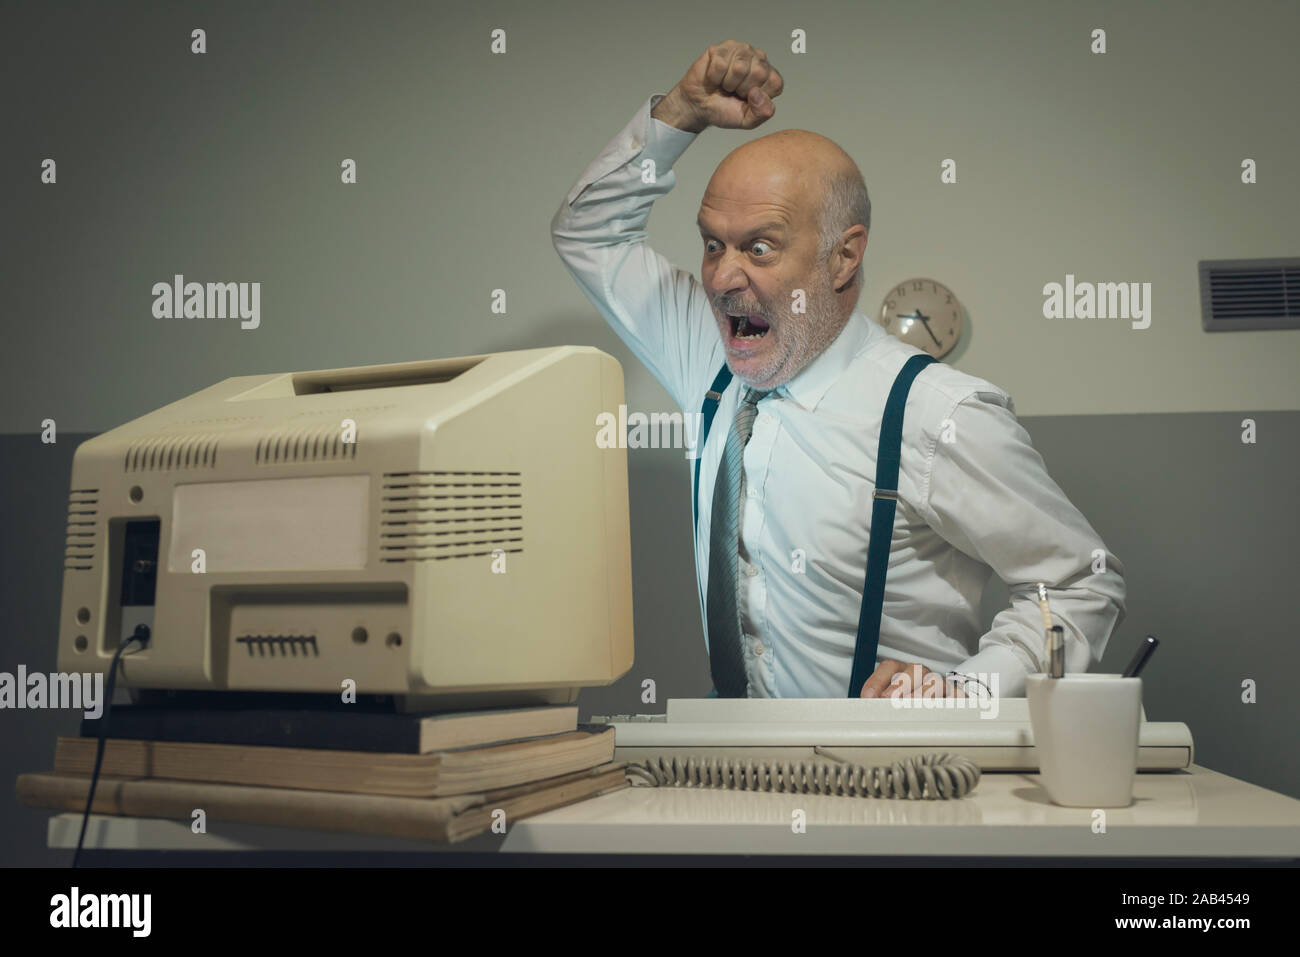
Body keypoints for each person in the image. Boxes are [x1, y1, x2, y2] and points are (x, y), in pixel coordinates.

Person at [550, 40, 1126, 700]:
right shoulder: (707, 358)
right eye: (713, 244)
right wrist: (681, 112)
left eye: (758, 247)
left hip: (893, 784)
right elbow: (586, 233)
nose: (722, 277)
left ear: (842, 257)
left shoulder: (936, 413)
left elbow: (1085, 579)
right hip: (740, 774)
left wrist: (966, 694)